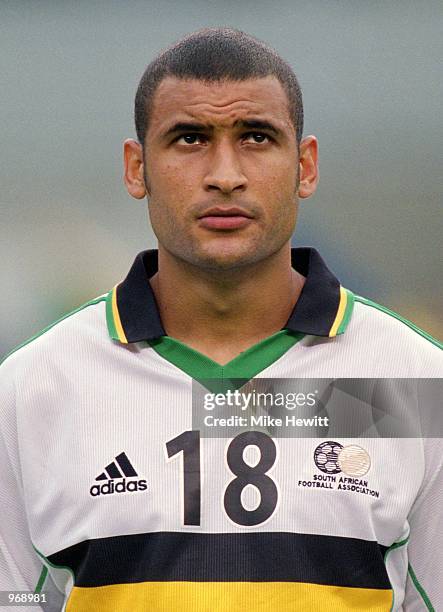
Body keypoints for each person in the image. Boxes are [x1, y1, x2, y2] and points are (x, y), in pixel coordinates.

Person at [0, 27, 441, 612]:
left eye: (256, 137)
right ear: (136, 169)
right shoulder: (30, 389)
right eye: (190, 138)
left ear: (305, 167)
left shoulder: (414, 383)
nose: (225, 174)